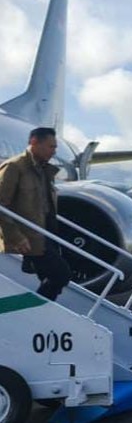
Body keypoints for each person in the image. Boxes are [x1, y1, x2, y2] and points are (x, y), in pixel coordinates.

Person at [0, 127, 71, 301]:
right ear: (34, 143)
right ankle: (36, 310)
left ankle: (43, 312)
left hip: (46, 233)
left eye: (55, 147)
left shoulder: (43, 170)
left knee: (51, 277)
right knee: (61, 274)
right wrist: (16, 237)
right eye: (50, 147)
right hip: (30, 237)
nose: (54, 152)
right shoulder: (14, 167)